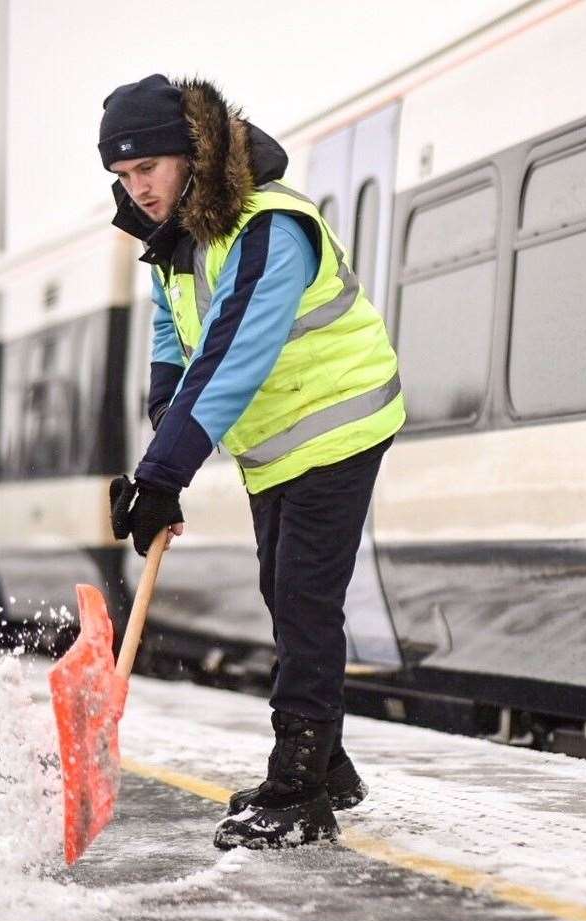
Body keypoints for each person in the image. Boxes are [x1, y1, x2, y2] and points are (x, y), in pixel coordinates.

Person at [99, 74, 405, 850]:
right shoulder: (179, 242)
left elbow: (232, 354)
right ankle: (329, 763)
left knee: (303, 597)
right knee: (282, 585)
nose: (139, 192)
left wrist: (163, 474)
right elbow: (177, 350)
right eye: (124, 179)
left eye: (149, 171)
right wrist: (163, 437)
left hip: (339, 422)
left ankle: (299, 789)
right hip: (276, 446)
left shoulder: (269, 227)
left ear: (193, 153)